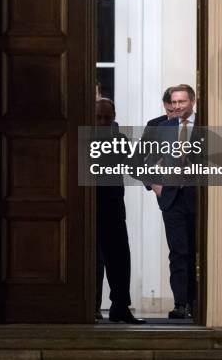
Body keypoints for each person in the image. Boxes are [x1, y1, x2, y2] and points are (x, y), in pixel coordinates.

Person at [95, 98, 145, 324]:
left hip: (113, 206)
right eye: (99, 117)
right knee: (91, 260)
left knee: (119, 259)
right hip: (85, 209)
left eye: (107, 117)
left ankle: (120, 307)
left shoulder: (119, 140)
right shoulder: (81, 139)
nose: (103, 121)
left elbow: (135, 167)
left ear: (114, 117)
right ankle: (90, 307)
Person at [151, 84, 198, 320]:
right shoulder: (163, 127)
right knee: (178, 252)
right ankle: (181, 303)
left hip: (199, 200)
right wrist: (156, 186)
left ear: (192, 101)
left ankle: (197, 302)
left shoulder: (205, 125)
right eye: (175, 102)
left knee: (198, 252)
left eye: (183, 101)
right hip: (172, 200)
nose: (178, 106)